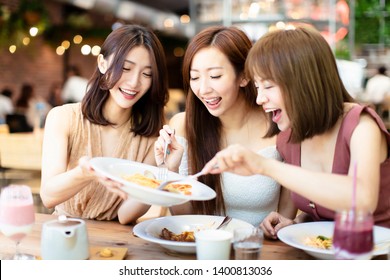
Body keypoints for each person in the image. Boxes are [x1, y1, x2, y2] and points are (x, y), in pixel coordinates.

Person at [202, 26, 390, 237]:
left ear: (303, 83)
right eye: (257, 87)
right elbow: (327, 210)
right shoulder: (290, 138)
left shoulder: (361, 127)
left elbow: (362, 199)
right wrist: (298, 220)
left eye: (268, 86)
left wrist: (264, 166)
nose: (259, 99)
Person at [155, 26, 296, 227]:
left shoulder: (280, 126)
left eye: (215, 76)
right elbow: (183, 217)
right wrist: (172, 170)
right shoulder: (182, 125)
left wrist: (276, 228)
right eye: (195, 77)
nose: (203, 89)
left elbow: (284, 221)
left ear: (244, 76)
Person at [40, 24, 169, 224]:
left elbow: (125, 216)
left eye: (147, 74)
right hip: (65, 232)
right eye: (125, 68)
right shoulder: (63, 117)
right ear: (102, 63)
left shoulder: (152, 135)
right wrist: (85, 173)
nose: (134, 82)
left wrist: (164, 170)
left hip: (115, 240)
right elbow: (48, 196)